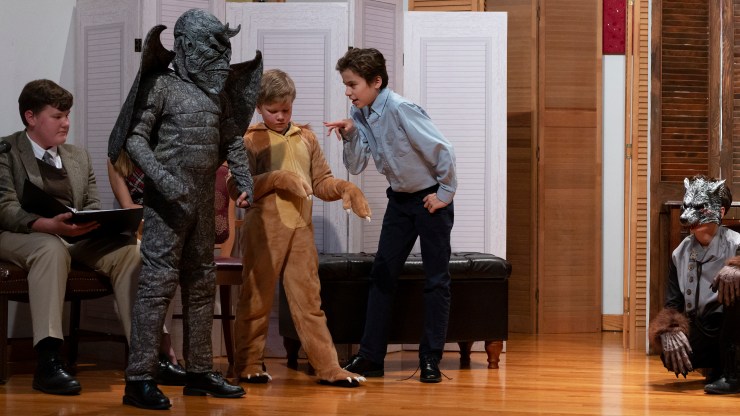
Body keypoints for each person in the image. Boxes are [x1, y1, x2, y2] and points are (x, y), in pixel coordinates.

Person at [108, 9, 260, 410]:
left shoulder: (216, 93)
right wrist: (163, 179)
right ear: (187, 46)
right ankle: (139, 378)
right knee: (157, 287)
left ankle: (199, 372)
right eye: (212, 47)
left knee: (201, 284)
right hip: (167, 204)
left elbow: (232, 139)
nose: (220, 57)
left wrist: (244, 180)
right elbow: (134, 139)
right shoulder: (160, 85)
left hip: (202, 203)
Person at [227, 69, 369, 388]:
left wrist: (345, 188)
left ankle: (328, 367)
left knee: (309, 302)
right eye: (272, 110)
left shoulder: (306, 137)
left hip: (301, 231)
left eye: (286, 109)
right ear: (258, 107)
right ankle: (247, 364)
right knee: (255, 298)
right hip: (264, 232)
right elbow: (236, 187)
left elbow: (321, 182)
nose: (280, 116)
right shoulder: (250, 140)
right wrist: (276, 179)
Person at [0, 79, 142, 395]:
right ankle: (48, 360)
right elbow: (5, 208)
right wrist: (46, 224)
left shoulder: (78, 156)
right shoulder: (6, 151)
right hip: (22, 235)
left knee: (131, 251)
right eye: (57, 116)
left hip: (74, 236)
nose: (66, 123)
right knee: (50, 248)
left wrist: (92, 222)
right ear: (30, 117)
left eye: (67, 115)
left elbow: (91, 203)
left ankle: (144, 355)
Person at [324, 48, 457, 383]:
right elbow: (356, 165)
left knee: (436, 280)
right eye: (346, 84)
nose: (348, 91)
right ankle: (371, 357)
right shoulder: (360, 114)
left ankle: (430, 358)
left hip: (429, 199)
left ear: (376, 82)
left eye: (352, 84)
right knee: (382, 274)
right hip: (399, 201)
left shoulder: (400, 108)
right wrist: (350, 134)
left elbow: (443, 149)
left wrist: (444, 194)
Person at [648, 174, 740, 394]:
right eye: (687, 206)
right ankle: (718, 366)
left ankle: (734, 374)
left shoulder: (736, 243)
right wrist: (669, 329)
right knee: (670, 352)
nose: (686, 215)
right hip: (703, 325)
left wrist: (738, 268)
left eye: (699, 207)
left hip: (733, 325)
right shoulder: (680, 253)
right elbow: (673, 303)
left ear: (720, 212)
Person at [107, 153, 186, 386]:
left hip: (166, 225)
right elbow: (128, 206)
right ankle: (164, 350)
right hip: (138, 228)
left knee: (167, 263)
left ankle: (158, 353)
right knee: (153, 259)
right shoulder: (116, 159)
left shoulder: (166, 152)